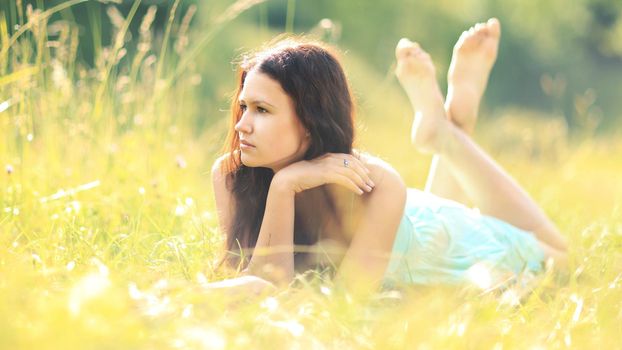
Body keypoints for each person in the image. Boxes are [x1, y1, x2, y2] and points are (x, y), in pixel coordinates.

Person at [208, 18, 568, 297]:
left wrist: (286, 184)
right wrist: (284, 187)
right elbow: (260, 284)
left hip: (451, 243)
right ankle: (452, 125)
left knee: (563, 258)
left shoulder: (376, 181)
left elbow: (346, 304)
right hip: (409, 227)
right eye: (243, 106)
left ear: (309, 123)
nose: (242, 125)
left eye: (262, 110)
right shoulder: (231, 176)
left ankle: (447, 133)